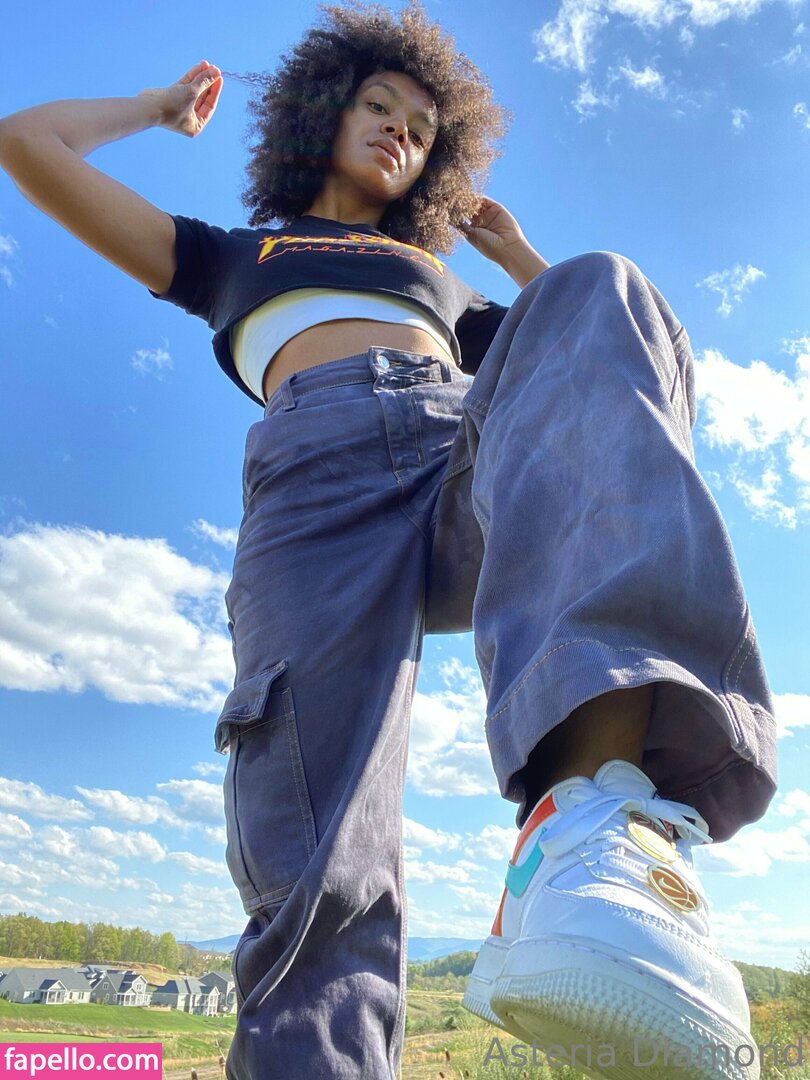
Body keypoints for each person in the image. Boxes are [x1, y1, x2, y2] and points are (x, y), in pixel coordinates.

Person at [0, 3, 777, 1078]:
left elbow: (614, 370)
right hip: (318, 485)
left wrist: (518, 256)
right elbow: (26, 144)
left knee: (604, 284)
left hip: (462, 460)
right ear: (323, 114)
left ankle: (582, 837)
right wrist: (155, 107)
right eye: (378, 105)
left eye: (421, 126)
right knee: (321, 855)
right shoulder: (239, 254)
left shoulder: (450, 286)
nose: (400, 131)